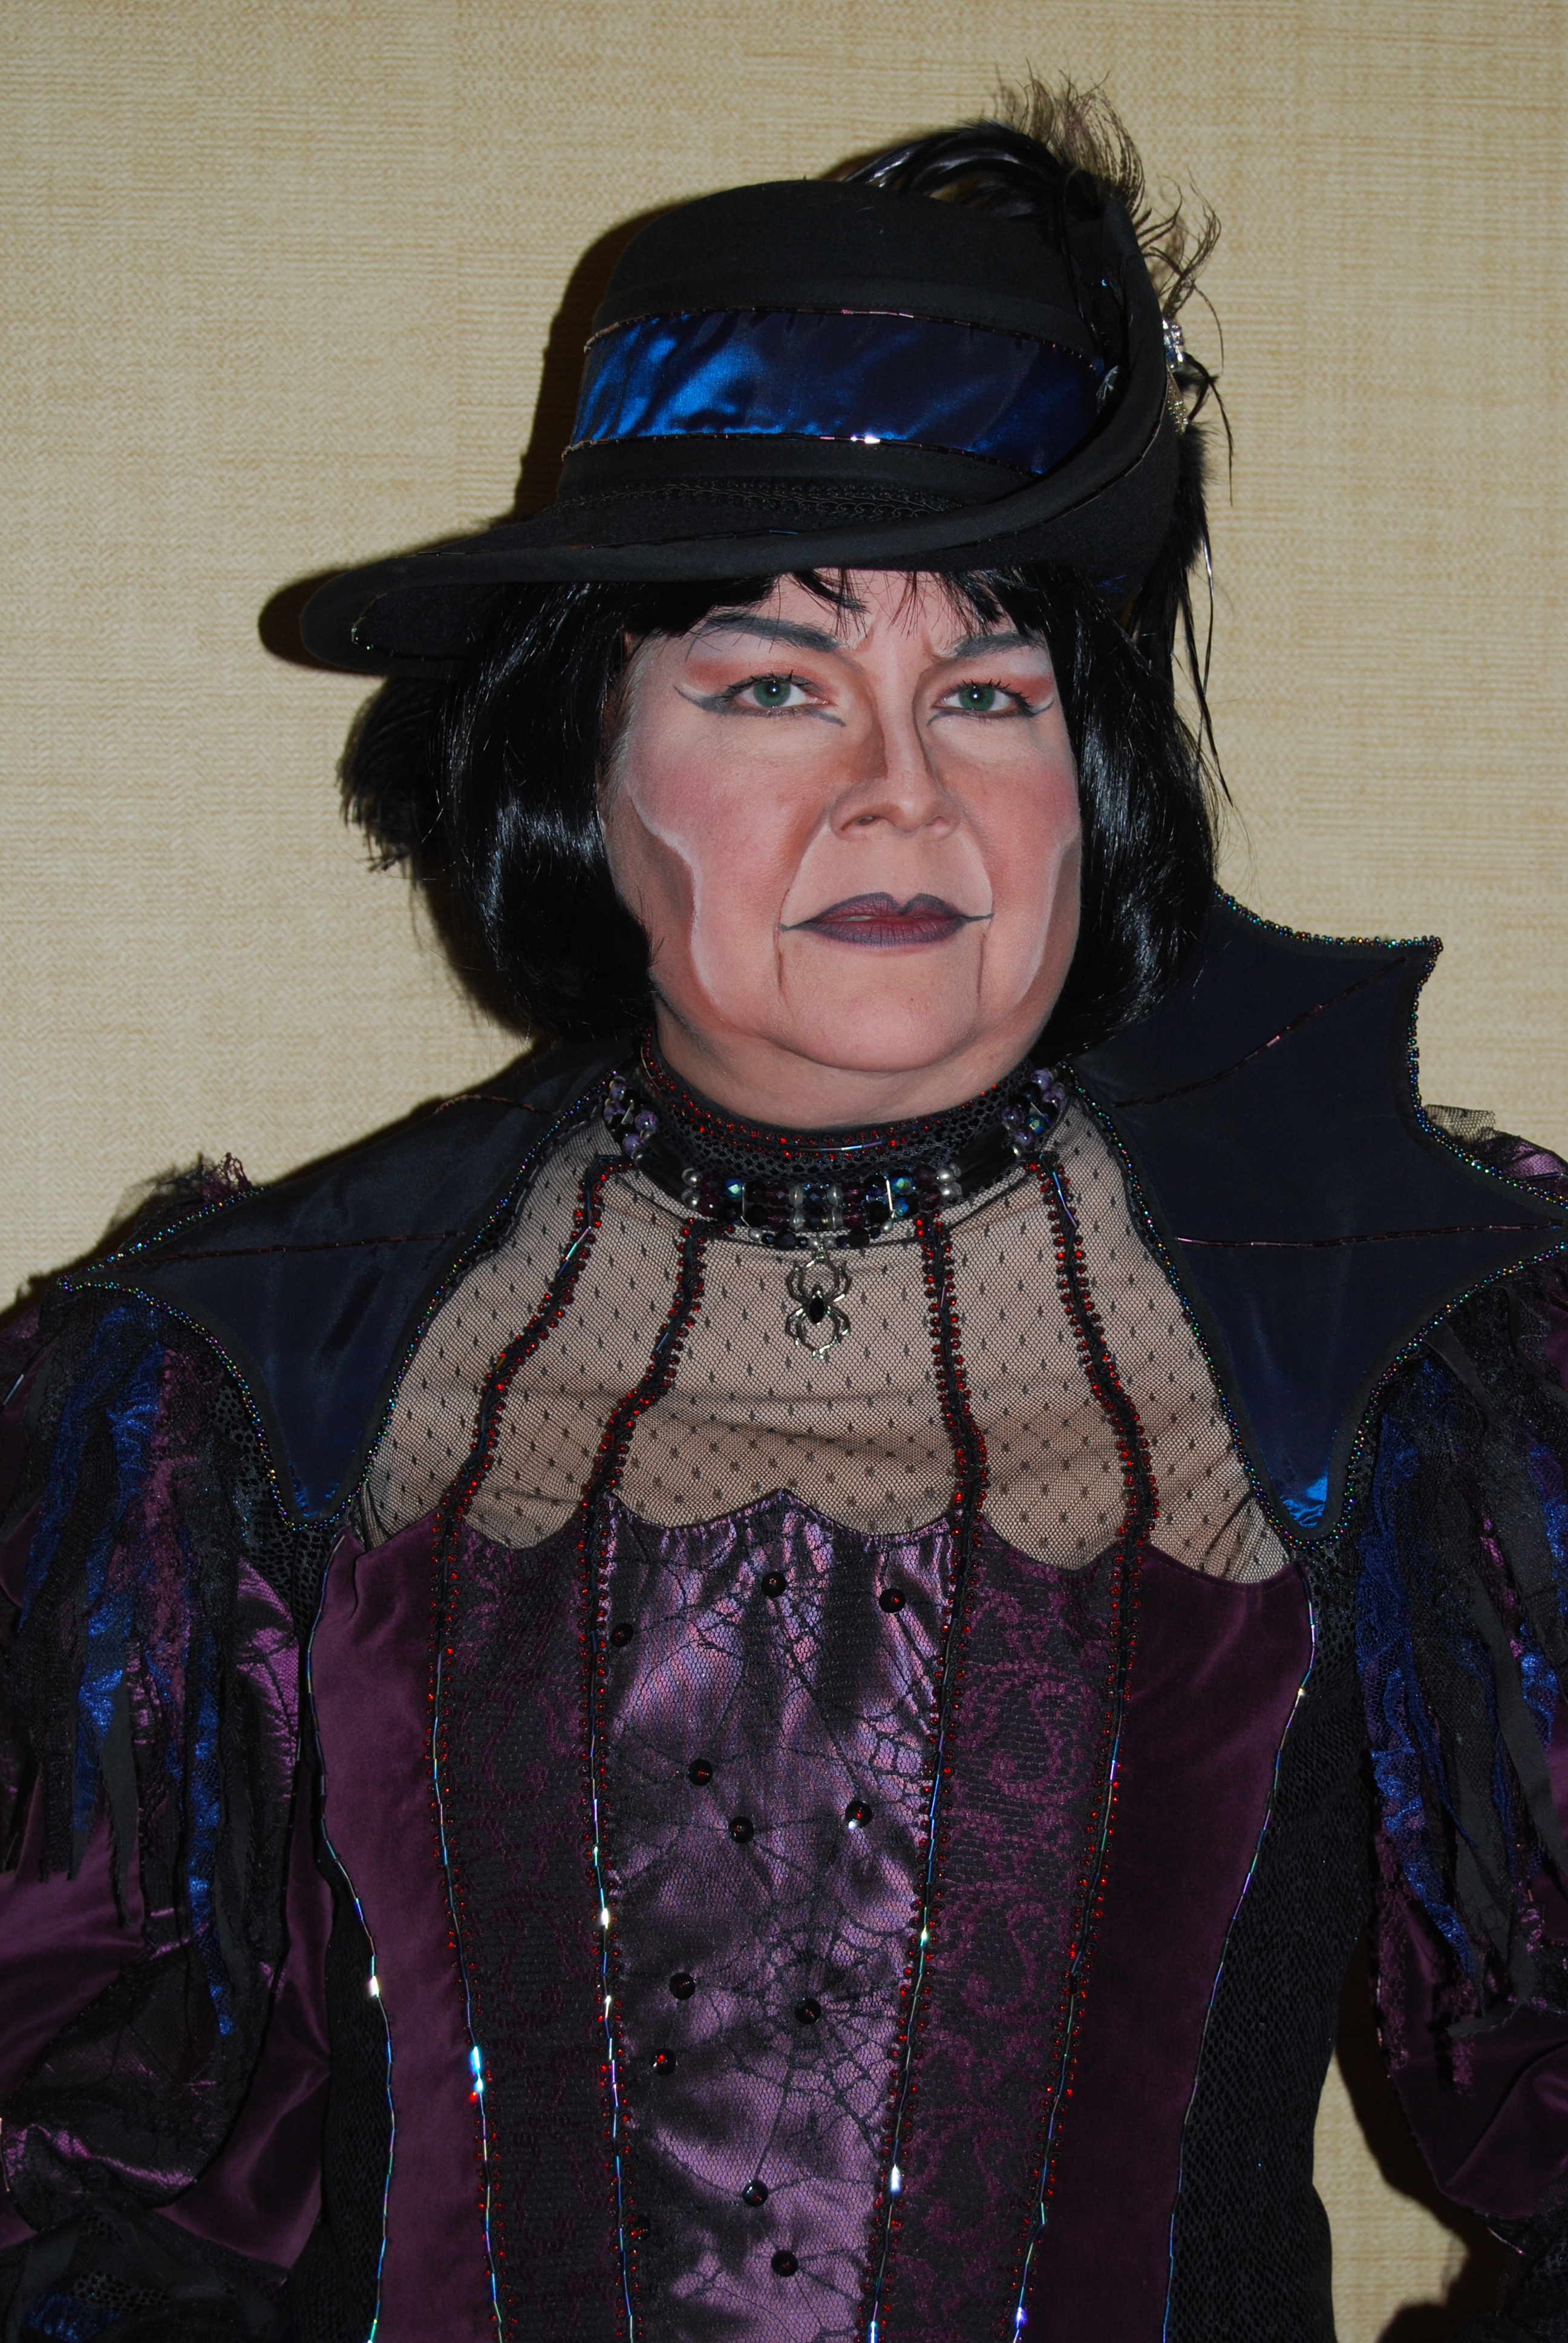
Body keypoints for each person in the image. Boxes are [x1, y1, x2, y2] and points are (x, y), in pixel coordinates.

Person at [3, 78, 1568, 2343]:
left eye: (990, 692)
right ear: (587, 759)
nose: (901, 793)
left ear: (1089, 779)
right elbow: (79, 2195)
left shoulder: (1414, 1355)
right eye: (771, 685)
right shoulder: (235, 1381)